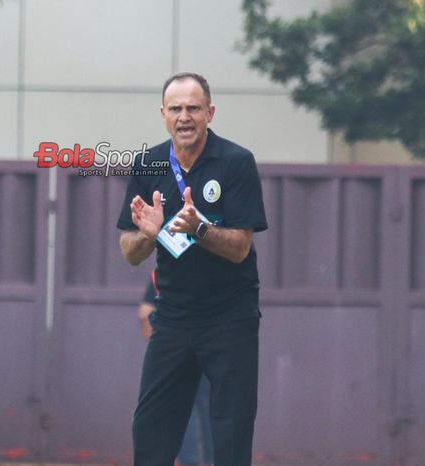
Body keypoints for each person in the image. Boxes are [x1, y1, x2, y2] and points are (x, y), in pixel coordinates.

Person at [117, 72, 267, 466]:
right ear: (163, 115)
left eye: (194, 108)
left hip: (229, 317)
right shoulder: (149, 164)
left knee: (231, 436)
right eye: (176, 109)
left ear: (210, 113)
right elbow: (130, 252)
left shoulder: (236, 162)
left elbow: (240, 248)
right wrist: (149, 235)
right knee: (150, 431)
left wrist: (198, 228)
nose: (185, 117)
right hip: (174, 316)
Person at [139, 279, 213, 466]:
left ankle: (190, 461)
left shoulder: (163, 272)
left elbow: (144, 313)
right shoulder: (217, 269)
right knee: (212, 407)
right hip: (210, 349)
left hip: (175, 351)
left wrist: (156, 348)